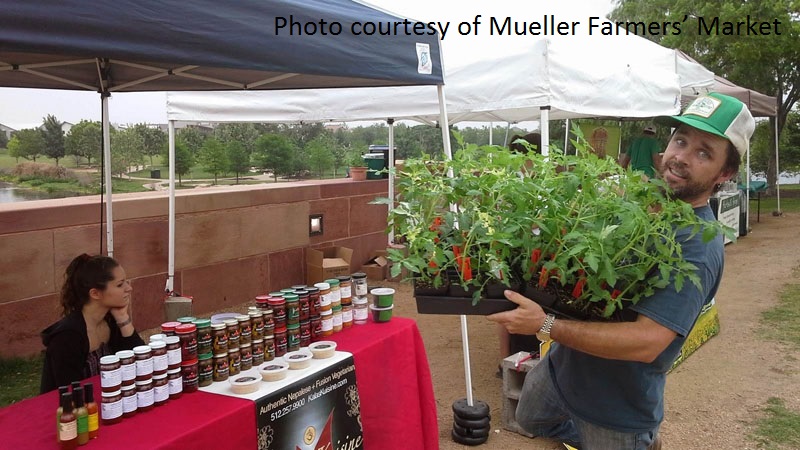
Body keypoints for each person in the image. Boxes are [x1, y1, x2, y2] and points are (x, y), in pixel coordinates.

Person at [488, 92, 754, 450]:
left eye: (703, 152)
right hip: (563, 369)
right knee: (529, 417)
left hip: (616, 409)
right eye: (680, 141)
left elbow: (647, 343)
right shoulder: (645, 205)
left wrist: (546, 325)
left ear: (725, 173)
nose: (680, 157)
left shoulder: (697, 245)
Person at [40, 254, 145, 393]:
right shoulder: (67, 336)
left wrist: (122, 318)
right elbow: (69, 390)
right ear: (95, 293)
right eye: (120, 284)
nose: (129, 288)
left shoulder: (110, 320)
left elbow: (141, 364)